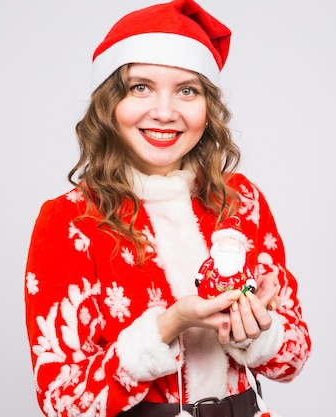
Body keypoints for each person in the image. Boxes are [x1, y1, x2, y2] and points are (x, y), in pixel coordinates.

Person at [24, 1, 311, 416]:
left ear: (207, 108)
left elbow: (293, 359)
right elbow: (61, 403)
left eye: (187, 90)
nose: (164, 112)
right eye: (140, 86)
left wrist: (256, 334)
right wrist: (168, 325)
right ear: (109, 104)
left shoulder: (240, 201)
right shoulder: (70, 221)